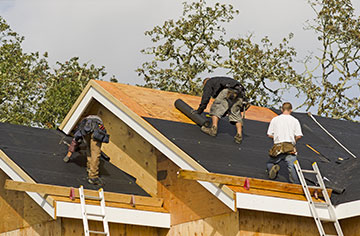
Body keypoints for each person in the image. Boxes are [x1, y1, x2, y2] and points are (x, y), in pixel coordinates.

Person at [193, 76, 248, 144]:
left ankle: (213, 129)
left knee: (216, 107)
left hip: (229, 90)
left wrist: (200, 110)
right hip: (240, 92)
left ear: (205, 83)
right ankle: (239, 136)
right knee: (235, 113)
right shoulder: (219, 80)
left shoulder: (209, 83)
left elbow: (206, 98)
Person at [63, 115, 109, 185]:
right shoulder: (95, 123)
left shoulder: (82, 126)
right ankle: (93, 177)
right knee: (95, 153)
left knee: (89, 149)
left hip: (89, 128)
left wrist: (68, 156)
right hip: (96, 129)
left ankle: (89, 168)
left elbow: (75, 141)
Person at [266, 102, 302, 184]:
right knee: (292, 166)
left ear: (282, 109)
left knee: (270, 162)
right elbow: (299, 136)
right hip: (289, 145)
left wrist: (276, 138)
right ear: (291, 110)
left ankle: (273, 167)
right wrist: (293, 142)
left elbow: (269, 134)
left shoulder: (275, 119)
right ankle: (295, 183)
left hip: (278, 145)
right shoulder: (295, 121)